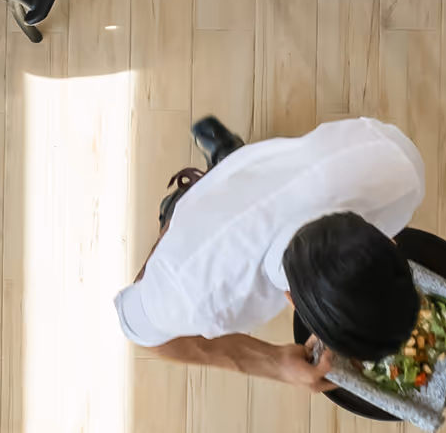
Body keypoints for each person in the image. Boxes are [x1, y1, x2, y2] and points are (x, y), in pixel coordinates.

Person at [116, 116, 429, 390]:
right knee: (178, 224)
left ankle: (231, 161)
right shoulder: (189, 294)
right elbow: (139, 330)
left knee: (244, 175)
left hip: (270, 172)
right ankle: (179, 203)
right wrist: (273, 363)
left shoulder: (392, 163)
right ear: (290, 300)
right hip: (193, 241)